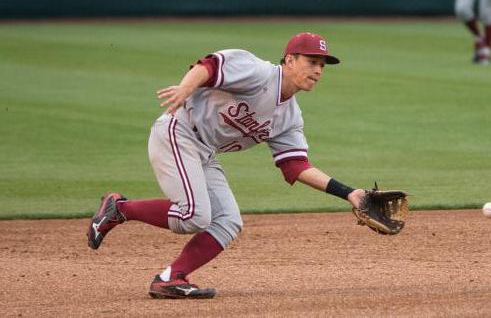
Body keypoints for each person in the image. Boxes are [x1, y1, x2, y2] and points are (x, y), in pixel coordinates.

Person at [87, 32, 367, 299]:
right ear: (290, 60)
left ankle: (171, 278)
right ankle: (120, 209)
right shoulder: (258, 72)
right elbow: (209, 65)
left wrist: (349, 193)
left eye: (322, 65)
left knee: (228, 222)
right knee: (193, 216)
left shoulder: (290, 118)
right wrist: (186, 87)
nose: (318, 70)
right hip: (179, 131)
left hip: (204, 151)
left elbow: (295, 166)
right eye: (311, 62)